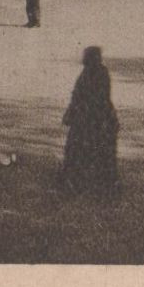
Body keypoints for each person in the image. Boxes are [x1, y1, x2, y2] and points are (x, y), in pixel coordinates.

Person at [59, 46, 119, 195]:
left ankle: (76, 178)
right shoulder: (101, 72)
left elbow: (79, 96)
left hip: (88, 116)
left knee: (77, 147)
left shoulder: (89, 74)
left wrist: (71, 113)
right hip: (97, 115)